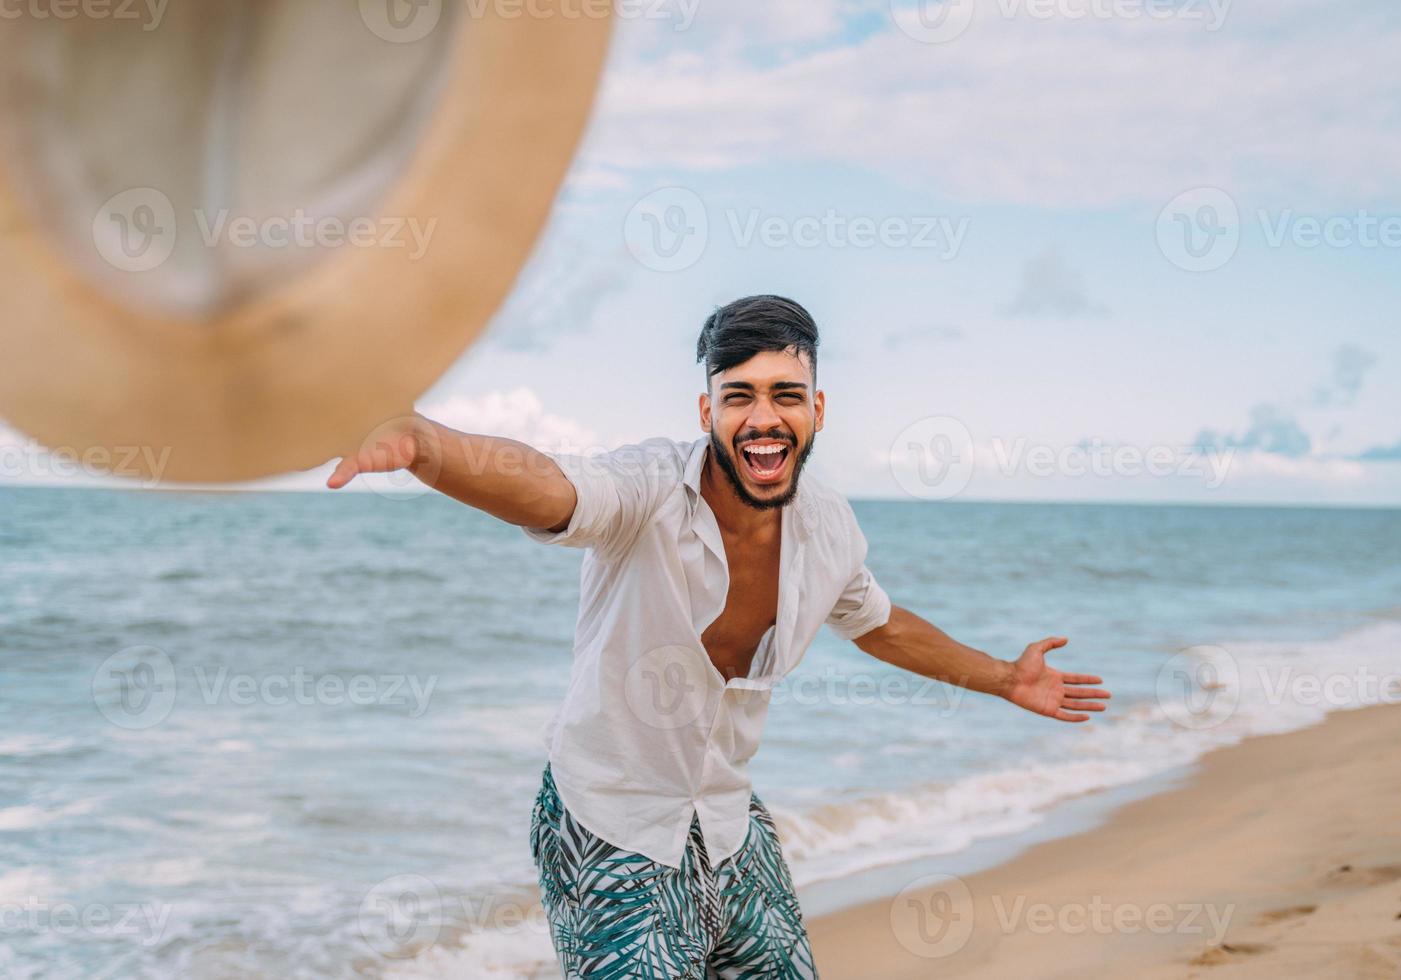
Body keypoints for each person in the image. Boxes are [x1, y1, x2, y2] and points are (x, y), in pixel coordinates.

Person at [326, 294, 1111, 978]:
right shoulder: (647, 492)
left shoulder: (829, 528)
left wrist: (1005, 679)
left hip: (729, 820)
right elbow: (550, 487)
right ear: (708, 413)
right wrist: (428, 445)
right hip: (609, 827)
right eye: (739, 397)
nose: (763, 418)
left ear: (817, 410)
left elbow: (879, 624)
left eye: (785, 395)